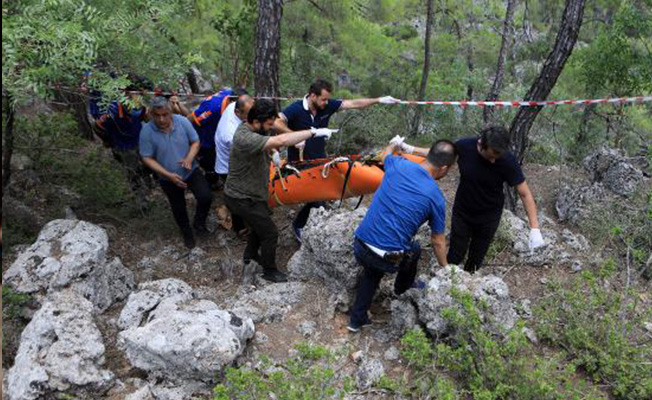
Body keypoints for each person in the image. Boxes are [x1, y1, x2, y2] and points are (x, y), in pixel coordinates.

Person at [398, 126, 545, 273]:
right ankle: (449, 280)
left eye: (497, 156)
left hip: (489, 216)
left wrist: (535, 228)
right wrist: (409, 148)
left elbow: (524, 193)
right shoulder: (465, 146)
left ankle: (470, 282)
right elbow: (439, 154)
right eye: (490, 156)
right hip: (463, 211)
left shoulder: (507, 160)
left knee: (476, 257)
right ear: (481, 145)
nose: (494, 161)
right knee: (456, 252)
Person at [348, 137, 458, 332]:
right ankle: (403, 289)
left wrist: (394, 143)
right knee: (414, 250)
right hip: (386, 257)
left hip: (360, 244)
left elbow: (385, 154)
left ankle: (357, 319)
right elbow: (437, 240)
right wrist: (446, 268)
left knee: (372, 272)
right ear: (443, 168)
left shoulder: (398, 164)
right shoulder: (435, 197)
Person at [224, 99, 338, 283]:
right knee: (270, 232)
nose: (271, 128)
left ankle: (250, 256)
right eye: (269, 124)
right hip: (240, 197)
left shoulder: (256, 131)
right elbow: (281, 139)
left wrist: (273, 152)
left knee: (259, 226)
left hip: (252, 194)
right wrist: (313, 132)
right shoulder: (244, 137)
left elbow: (273, 143)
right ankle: (269, 271)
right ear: (256, 121)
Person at [273, 79, 401, 241]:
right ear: (313, 96)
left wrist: (379, 100)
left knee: (322, 194)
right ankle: (300, 226)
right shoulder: (297, 109)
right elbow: (276, 121)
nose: (326, 103)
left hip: (320, 159)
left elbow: (353, 103)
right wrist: (293, 136)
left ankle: (305, 225)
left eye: (327, 99)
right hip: (299, 163)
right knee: (317, 197)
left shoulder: (326, 106)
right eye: (323, 99)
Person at [140, 96, 213, 249]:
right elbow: (146, 157)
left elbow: (195, 141)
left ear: (170, 112)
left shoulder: (182, 121)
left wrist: (189, 158)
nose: (161, 119)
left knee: (206, 197)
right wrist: (168, 175)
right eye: (157, 115)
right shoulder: (146, 131)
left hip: (190, 169)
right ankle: (187, 233)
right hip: (167, 178)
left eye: (165, 114)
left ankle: (199, 223)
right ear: (152, 114)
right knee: (178, 207)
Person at [94, 95, 152, 209]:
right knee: (133, 172)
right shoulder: (109, 110)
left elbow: (142, 116)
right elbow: (98, 126)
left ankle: (149, 187)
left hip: (139, 139)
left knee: (147, 166)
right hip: (123, 146)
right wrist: (108, 141)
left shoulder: (134, 100)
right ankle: (142, 201)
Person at [188, 88, 234, 189]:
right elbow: (194, 120)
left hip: (218, 134)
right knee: (209, 162)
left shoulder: (230, 94)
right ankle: (212, 181)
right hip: (205, 138)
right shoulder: (212, 107)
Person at [215, 93, 255, 187]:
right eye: (249, 114)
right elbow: (250, 151)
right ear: (237, 112)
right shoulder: (231, 133)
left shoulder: (236, 105)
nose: (252, 117)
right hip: (228, 169)